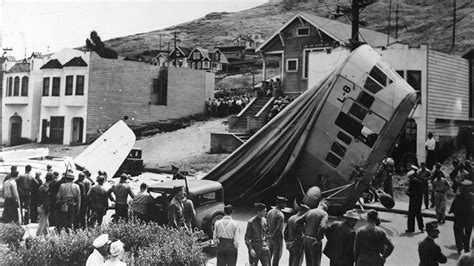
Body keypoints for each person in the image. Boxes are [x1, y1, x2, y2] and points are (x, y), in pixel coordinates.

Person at [295, 198, 328, 266]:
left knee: (308, 262)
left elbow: (297, 222)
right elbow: (323, 226)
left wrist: (303, 233)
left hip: (306, 240)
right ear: (323, 205)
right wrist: (318, 239)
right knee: (316, 262)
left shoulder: (310, 211)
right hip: (314, 241)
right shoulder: (324, 214)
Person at [449, 179, 473, 254]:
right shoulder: (472, 197)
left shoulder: (458, 196)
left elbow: (454, 205)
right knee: (468, 233)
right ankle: (466, 248)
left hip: (459, 217)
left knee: (458, 231)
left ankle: (459, 247)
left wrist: (451, 210)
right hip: (469, 217)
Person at [284, 198, 309, 266]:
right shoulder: (301, 221)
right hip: (298, 245)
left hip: (291, 244)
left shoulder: (291, 218)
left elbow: (285, 233)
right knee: (298, 262)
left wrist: (288, 242)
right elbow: (300, 235)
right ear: (304, 212)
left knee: (291, 261)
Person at [267, 196, 287, 266]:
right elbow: (279, 229)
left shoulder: (269, 212)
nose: (286, 205)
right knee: (277, 256)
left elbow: (267, 225)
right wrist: (274, 235)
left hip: (270, 236)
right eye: (285, 203)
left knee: (269, 255)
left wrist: (269, 235)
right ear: (280, 204)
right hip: (277, 238)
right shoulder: (280, 215)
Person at [406, 165, 425, 233]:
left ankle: (411, 229)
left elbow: (412, 191)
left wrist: (408, 193)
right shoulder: (419, 181)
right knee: (418, 213)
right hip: (418, 200)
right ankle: (421, 227)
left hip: (414, 199)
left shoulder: (413, 182)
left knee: (411, 214)